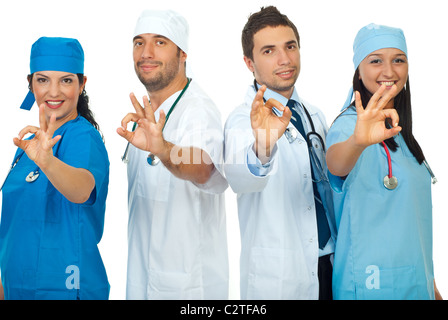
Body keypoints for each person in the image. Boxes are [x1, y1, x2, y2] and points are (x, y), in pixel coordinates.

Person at [223, 6, 336, 300]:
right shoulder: (241, 120)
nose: (285, 59)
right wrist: (262, 147)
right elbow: (239, 178)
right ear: (249, 62)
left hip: (331, 262)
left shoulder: (314, 115)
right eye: (269, 51)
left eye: (290, 47)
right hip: (282, 277)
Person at [117, 9, 229, 300]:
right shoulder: (147, 116)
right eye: (139, 42)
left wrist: (164, 150)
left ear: (183, 54)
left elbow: (204, 167)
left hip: (189, 289)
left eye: (160, 42)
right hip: (141, 280)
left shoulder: (198, 110)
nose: (146, 53)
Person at [326, 23, 442, 300]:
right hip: (369, 284)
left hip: (416, 283)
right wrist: (358, 141)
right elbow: (336, 165)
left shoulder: (400, 134)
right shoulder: (350, 128)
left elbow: (412, 223)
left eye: (398, 60)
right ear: (359, 70)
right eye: (376, 60)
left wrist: (433, 288)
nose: (389, 71)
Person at [0, 37, 110, 300]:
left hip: (65, 288)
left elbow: (81, 189)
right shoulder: (29, 146)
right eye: (42, 80)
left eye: (66, 80)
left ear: (82, 84)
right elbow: (15, 221)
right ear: (30, 84)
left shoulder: (82, 137)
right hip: (16, 287)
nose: (54, 92)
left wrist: (48, 162)